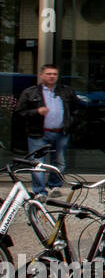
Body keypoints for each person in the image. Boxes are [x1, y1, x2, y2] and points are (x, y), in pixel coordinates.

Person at [15, 64, 78, 197]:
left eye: (54, 74)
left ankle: (55, 186)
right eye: (49, 74)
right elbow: (20, 113)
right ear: (42, 75)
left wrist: (71, 123)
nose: (51, 76)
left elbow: (76, 108)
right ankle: (40, 191)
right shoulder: (30, 92)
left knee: (59, 162)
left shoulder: (65, 91)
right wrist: (36, 112)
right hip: (38, 133)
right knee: (38, 164)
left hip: (61, 132)